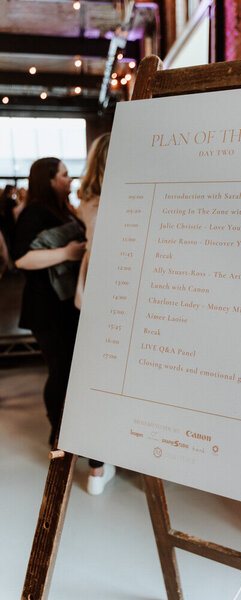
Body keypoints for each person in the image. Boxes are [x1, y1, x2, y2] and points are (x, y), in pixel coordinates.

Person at [13, 158, 86, 447]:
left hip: (65, 305)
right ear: (50, 180)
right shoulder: (34, 212)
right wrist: (67, 254)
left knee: (68, 370)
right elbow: (22, 259)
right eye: (65, 175)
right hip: (46, 308)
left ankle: (68, 431)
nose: (70, 179)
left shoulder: (62, 209)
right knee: (60, 371)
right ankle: (58, 434)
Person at [76, 133, 116, 495]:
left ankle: (97, 467)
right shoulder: (130, 196)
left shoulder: (86, 201)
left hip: (91, 287)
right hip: (121, 283)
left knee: (94, 377)